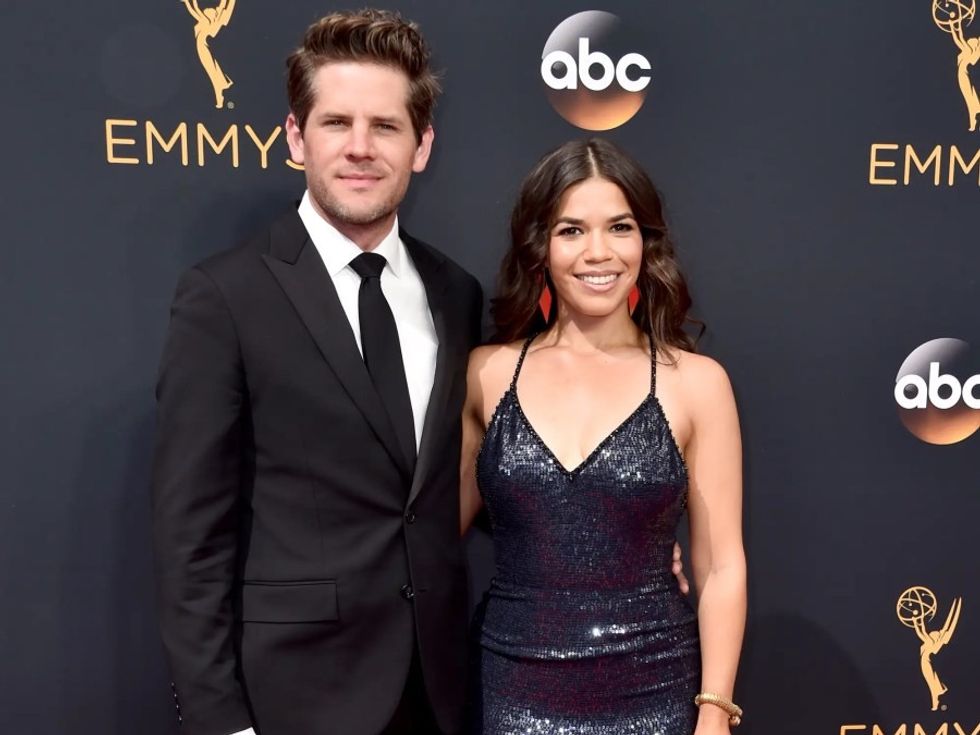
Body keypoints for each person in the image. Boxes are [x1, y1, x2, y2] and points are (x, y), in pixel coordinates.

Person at [151, 10, 483, 735]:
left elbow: (455, 481)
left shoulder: (457, 294)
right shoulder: (225, 295)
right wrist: (219, 722)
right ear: (297, 137)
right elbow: (189, 538)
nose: (360, 149)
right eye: (336, 123)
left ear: (422, 145)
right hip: (292, 701)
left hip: (441, 696)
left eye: (386, 126)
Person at [460, 138, 746, 735]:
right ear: (540, 245)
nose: (599, 252)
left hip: (657, 686)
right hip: (510, 686)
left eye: (619, 227)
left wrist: (714, 712)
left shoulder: (697, 383)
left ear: (645, 241)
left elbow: (720, 566)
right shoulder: (487, 373)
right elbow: (431, 535)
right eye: (571, 230)